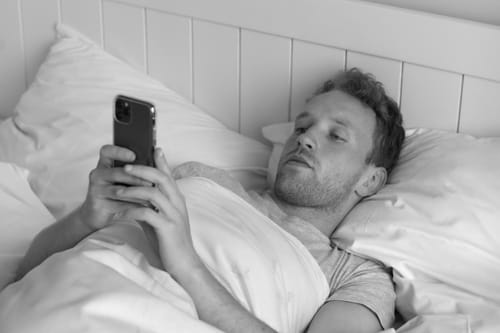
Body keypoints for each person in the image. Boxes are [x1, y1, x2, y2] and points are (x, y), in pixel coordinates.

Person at [15, 68, 405, 333]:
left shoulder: (357, 276)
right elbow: (24, 273)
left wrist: (185, 261)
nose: (304, 138)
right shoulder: (197, 177)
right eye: (302, 126)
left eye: (336, 136)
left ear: (371, 179)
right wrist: (87, 218)